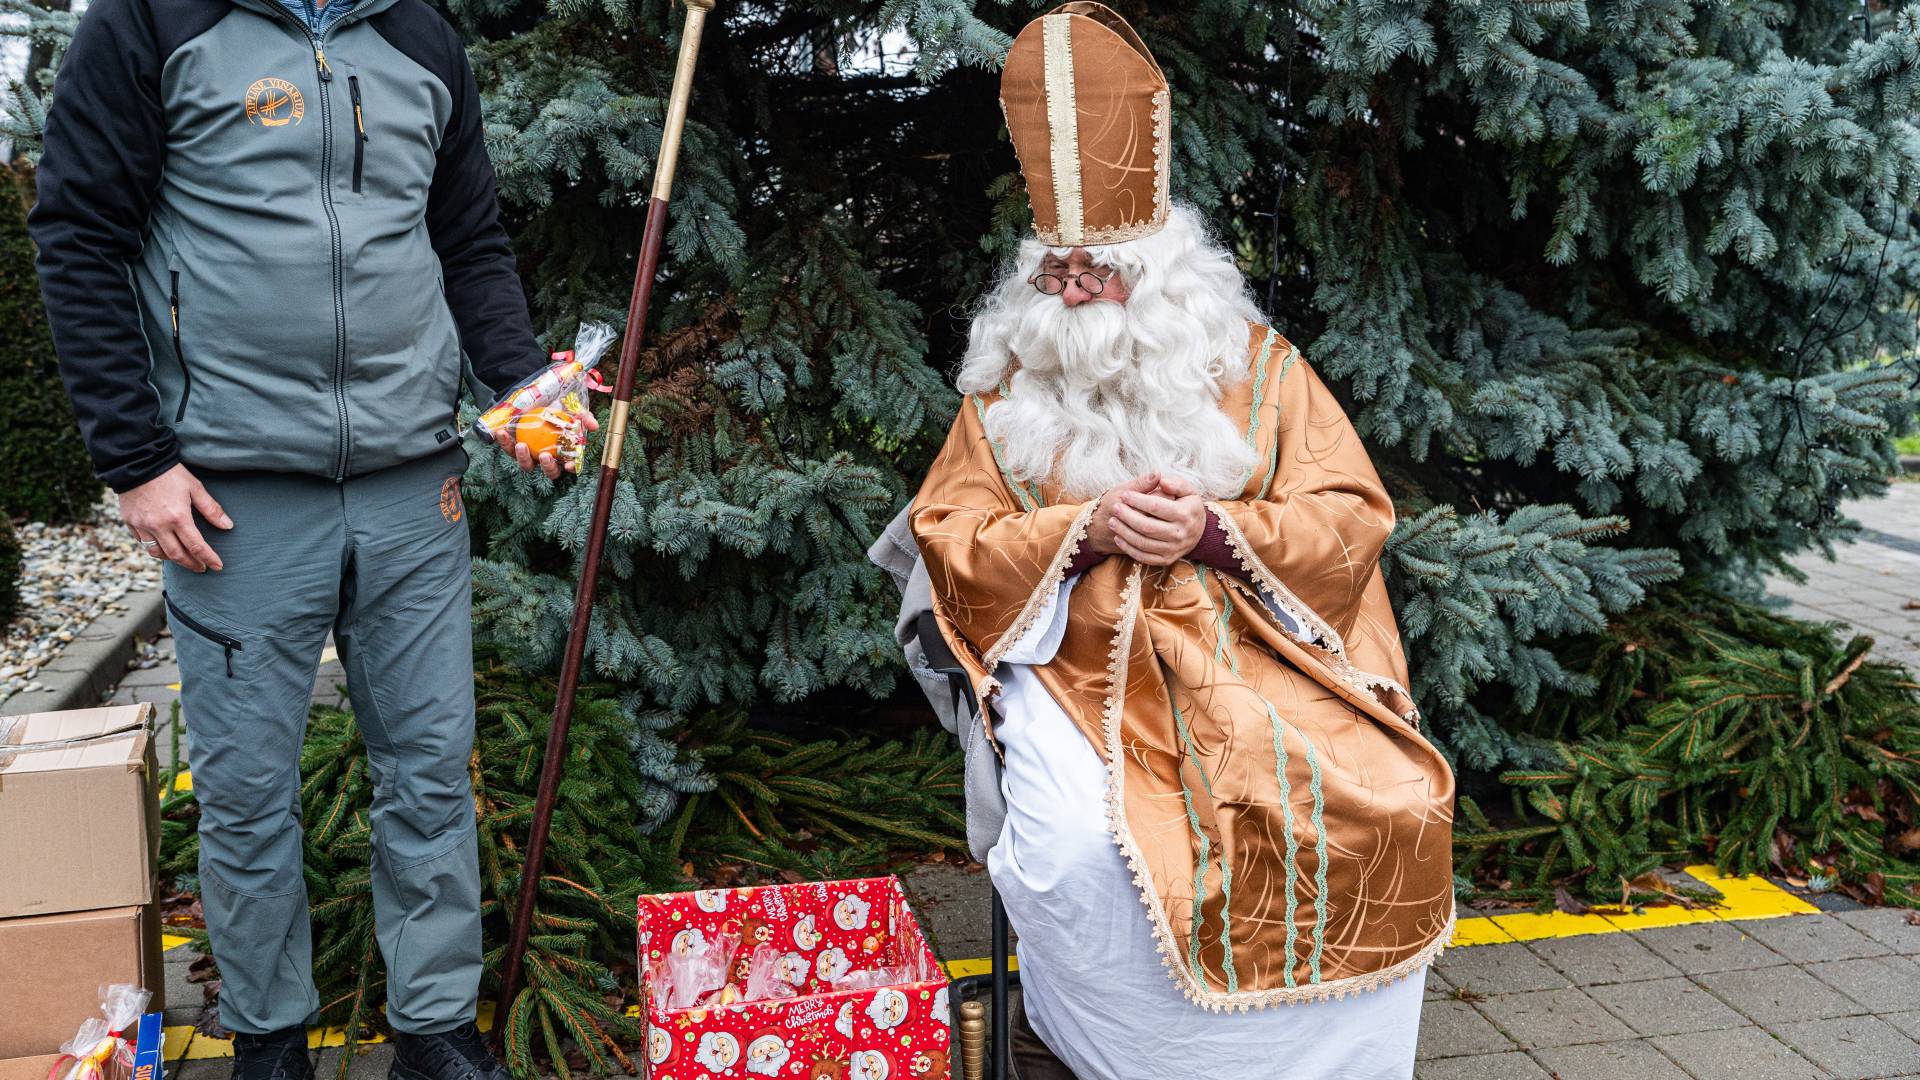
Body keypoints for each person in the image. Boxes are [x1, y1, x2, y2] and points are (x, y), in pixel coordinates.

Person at [29, 3, 582, 1079]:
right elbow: (80, 234)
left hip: (411, 482)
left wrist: (522, 380)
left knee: (430, 771)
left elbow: (468, 238)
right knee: (246, 792)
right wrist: (135, 460)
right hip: (232, 498)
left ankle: (434, 1032)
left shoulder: (420, 35)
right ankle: (270, 1039)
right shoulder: (151, 22)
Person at [909, 5, 1456, 1077]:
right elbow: (950, 535)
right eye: (1054, 271)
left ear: (1160, 278)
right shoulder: (1005, 393)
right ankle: (1111, 1052)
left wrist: (1215, 529)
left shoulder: (1261, 369)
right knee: (1079, 850)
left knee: (1386, 806)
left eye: (1095, 271)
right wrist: (1080, 529)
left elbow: (1350, 515)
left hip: (1261, 651)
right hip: (1074, 663)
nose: (1070, 291)